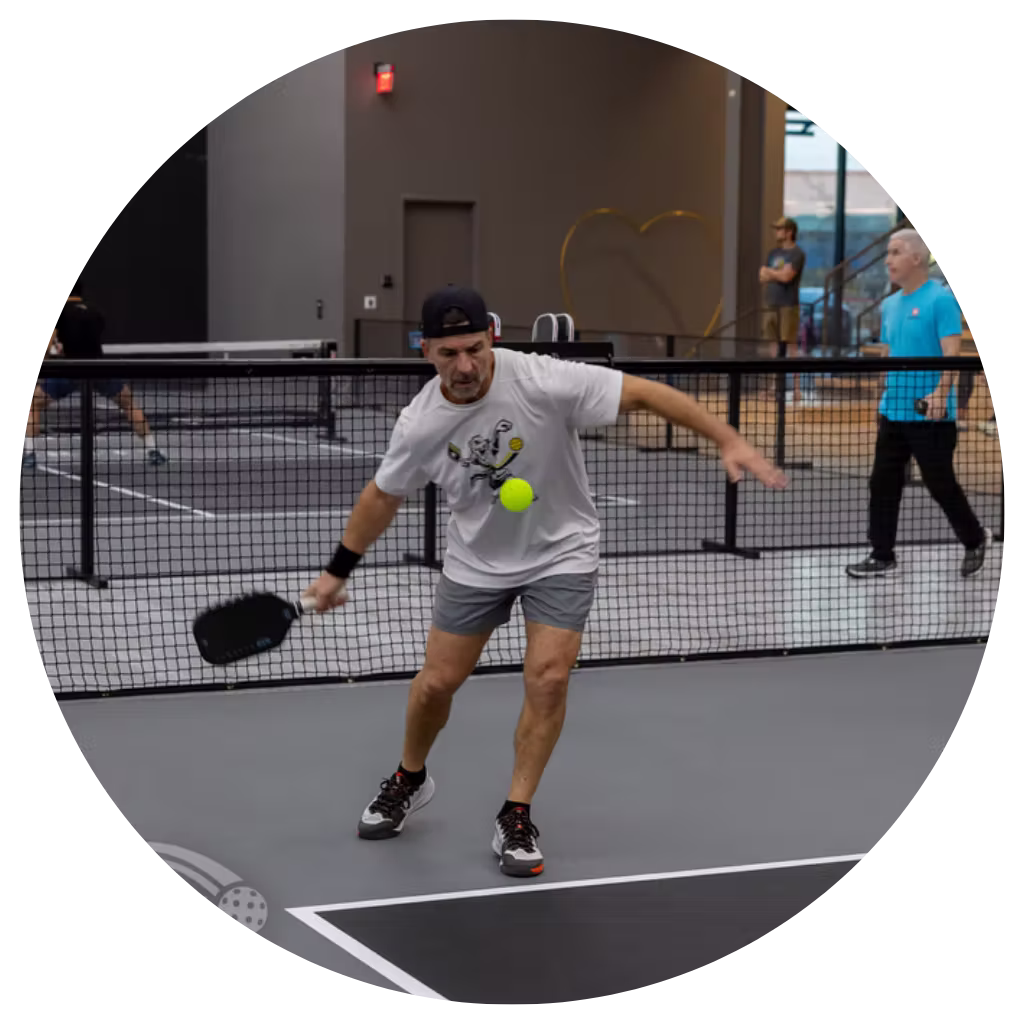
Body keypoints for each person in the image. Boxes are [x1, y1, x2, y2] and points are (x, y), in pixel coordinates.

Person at [302, 285, 788, 877]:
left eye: (475, 349)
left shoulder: (544, 380)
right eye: (449, 352)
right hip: (476, 562)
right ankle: (409, 777)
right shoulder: (420, 423)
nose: (464, 365)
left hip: (562, 551)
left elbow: (647, 393)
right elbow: (381, 497)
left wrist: (727, 438)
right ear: (425, 350)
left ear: (493, 338)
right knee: (436, 685)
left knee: (549, 677)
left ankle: (516, 812)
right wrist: (335, 573)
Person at [845, 230, 990, 580]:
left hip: (931, 415)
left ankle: (974, 538)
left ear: (917, 259)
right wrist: (882, 390)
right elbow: (891, 350)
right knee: (882, 483)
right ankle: (881, 554)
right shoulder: (890, 304)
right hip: (892, 411)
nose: (888, 260)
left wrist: (940, 395)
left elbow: (952, 353)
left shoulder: (941, 301)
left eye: (895, 252)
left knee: (939, 483)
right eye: (888, 253)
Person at [25, 282, 167, 469]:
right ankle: (152, 450)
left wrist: (49, 358)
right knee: (129, 404)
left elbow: (51, 342)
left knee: (34, 404)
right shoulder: (96, 312)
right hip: (99, 368)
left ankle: (29, 454)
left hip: (70, 370)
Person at [759, 216, 806, 402]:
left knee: (790, 345)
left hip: (788, 304)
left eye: (780, 229)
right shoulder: (773, 253)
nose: (776, 232)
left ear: (789, 232)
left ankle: (796, 388)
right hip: (771, 302)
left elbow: (787, 277)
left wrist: (772, 273)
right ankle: (774, 386)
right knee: (773, 345)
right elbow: (762, 275)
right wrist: (775, 274)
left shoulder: (797, 254)